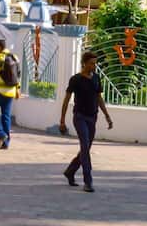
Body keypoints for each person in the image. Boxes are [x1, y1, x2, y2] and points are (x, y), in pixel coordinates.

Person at [59, 52, 113, 192]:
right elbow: (66, 100)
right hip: (79, 117)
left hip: (92, 117)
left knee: (86, 149)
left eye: (95, 63)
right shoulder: (75, 79)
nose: (94, 66)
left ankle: (70, 171)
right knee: (84, 146)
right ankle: (88, 181)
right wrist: (62, 120)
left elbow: (99, 98)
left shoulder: (96, 78)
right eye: (91, 63)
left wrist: (107, 115)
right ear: (84, 63)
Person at [0, 39, 21, 149]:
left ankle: (1, 134)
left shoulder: (0, 57)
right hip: (11, 92)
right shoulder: (15, 57)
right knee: (6, 116)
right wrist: (18, 89)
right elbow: (18, 75)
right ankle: (6, 143)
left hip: (0, 91)